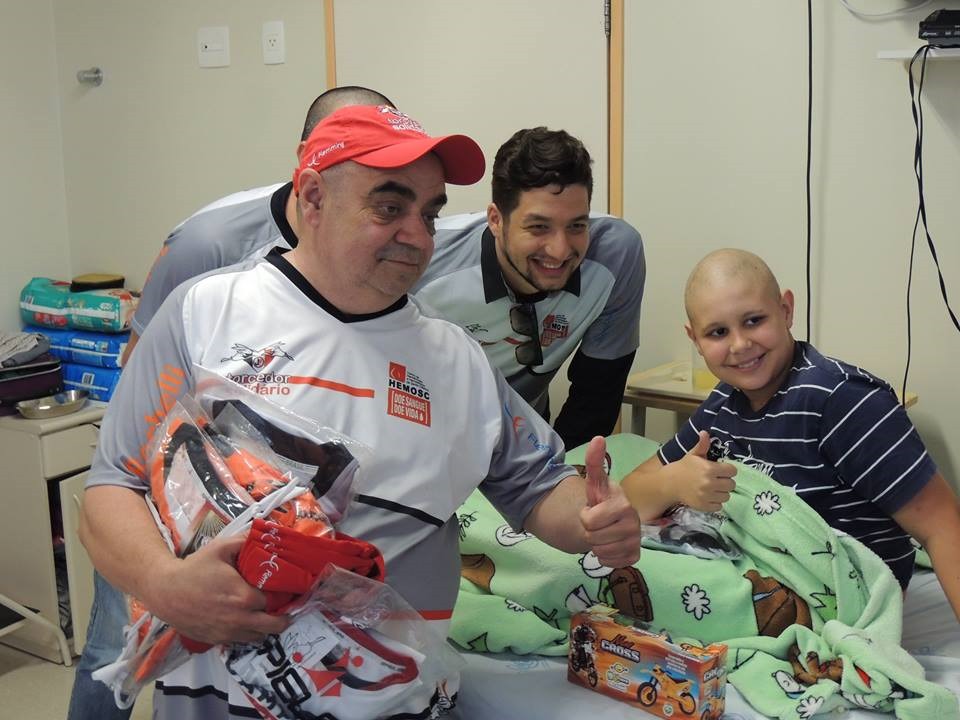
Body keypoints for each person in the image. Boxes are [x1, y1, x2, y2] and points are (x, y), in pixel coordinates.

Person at [79, 105, 642, 719]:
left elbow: (537, 490)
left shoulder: (455, 358)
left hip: (402, 701)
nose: (418, 235)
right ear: (313, 198)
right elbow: (112, 487)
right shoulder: (207, 314)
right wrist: (162, 582)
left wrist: (591, 521)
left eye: (429, 213)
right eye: (389, 207)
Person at [67, 85, 395, 720]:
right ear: (308, 165)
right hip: (171, 473)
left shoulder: (381, 237)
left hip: (281, 495)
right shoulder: (211, 241)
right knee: (120, 641)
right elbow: (143, 373)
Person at [620, 248, 960, 621]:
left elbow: (942, 526)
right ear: (695, 340)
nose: (740, 345)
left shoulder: (843, 400)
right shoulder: (723, 402)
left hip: (844, 600)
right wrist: (673, 482)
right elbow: (628, 499)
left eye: (753, 321)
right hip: (756, 578)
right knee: (608, 555)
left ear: (786, 310)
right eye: (718, 332)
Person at [120, 85, 395, 365]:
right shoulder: (206, 244)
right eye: (354, 155)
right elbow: (143, 367)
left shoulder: (404, 242)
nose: (374, 174)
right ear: (307, 158)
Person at [414, 127, 645, 450]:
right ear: (496, 220)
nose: (560, 250)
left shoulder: (616, 255)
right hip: (434, 438)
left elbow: (597, 394)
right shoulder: (424, 258)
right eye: (538, 227)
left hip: (527, 439)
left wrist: (561, 473)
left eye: (577, 225)